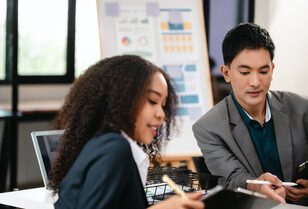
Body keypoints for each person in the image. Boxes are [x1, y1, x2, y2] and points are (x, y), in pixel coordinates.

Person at [192, 23, 308, 208]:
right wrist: (256, 187)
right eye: (245, 72)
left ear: (272, 69)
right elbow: (232, 178)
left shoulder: (302, 107)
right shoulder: (208, 127)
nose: (255, 82)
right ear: (226, 73)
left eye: (263, 71)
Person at [48, 55, 204, 209]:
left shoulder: (101, 144)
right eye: (152, 101)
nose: (161, 114)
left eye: (163, 105)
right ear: (122, 98)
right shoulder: (113, 148)